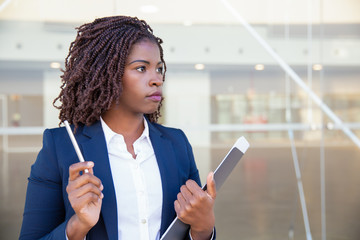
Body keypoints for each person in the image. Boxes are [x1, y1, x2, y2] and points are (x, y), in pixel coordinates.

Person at [19, 16, 216, 240]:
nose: (157, 80)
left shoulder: (177, 143)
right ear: (107, 73)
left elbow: (190, 230)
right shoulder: (60, 147)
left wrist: (202, 229)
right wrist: (77, 226)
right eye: (141, 68)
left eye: (159, 69)